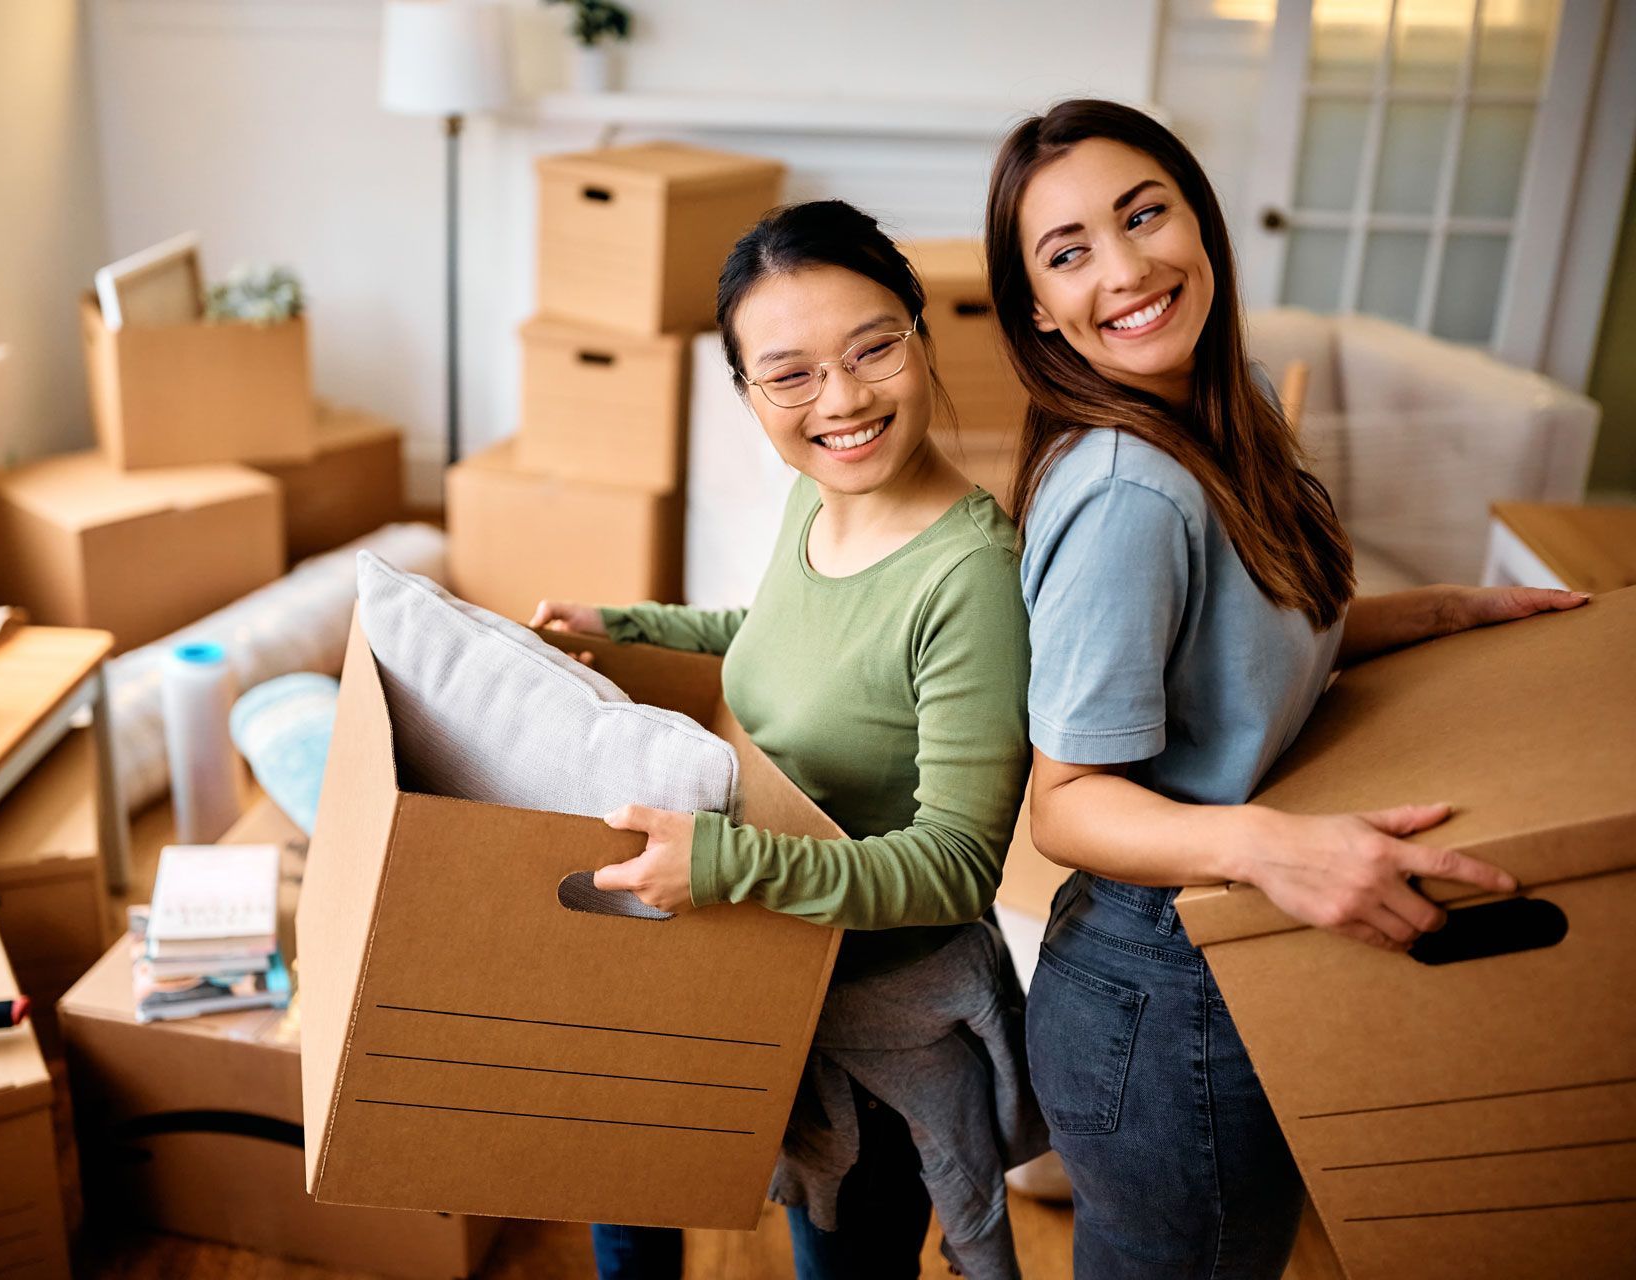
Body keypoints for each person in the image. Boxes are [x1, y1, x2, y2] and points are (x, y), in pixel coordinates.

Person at [980, 98, 1589, 1278]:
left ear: (1199, 221)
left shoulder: (1232, 402)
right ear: (1039, 314)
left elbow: (1243, 648)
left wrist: (1445, 609)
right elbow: (1066, 802)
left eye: (1144, 213)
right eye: (1070, 253)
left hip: (1219, 947)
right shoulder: (1126, 494)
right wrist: (1274, 847)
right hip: (1161, 987)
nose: (1127, 267)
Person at [532, 200, 1047, 1280]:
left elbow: (957, 866)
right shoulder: (816, 498)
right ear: (748, 392)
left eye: (872, 348)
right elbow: (776, 643)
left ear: (922, 331)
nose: (844, 399)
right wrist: (626, 628)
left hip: (873, 1026)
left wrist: (725, 864)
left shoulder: (971, 576)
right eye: (793, 373)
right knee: (619, 1178)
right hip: (751, 958)